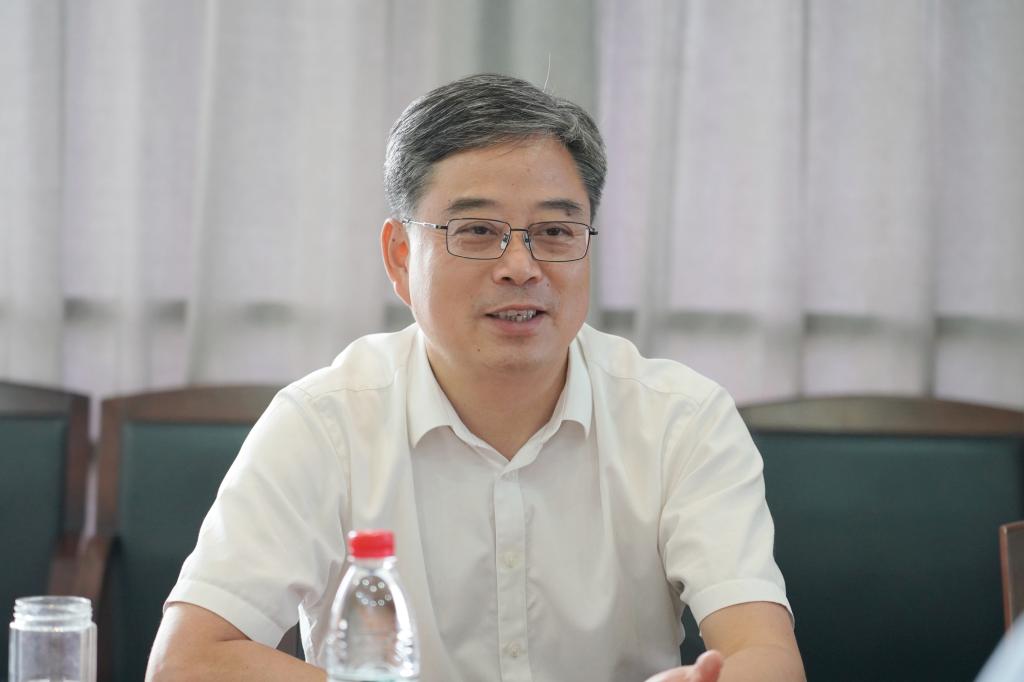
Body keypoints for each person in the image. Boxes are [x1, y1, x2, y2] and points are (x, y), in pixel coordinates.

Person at [146, 73, 804, 682]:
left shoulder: (682, 419)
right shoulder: (324, 423)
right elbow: (188, 662)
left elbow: (766, 656)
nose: (520, 266)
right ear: (400, 258)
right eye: (478, 231)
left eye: (555, 231)